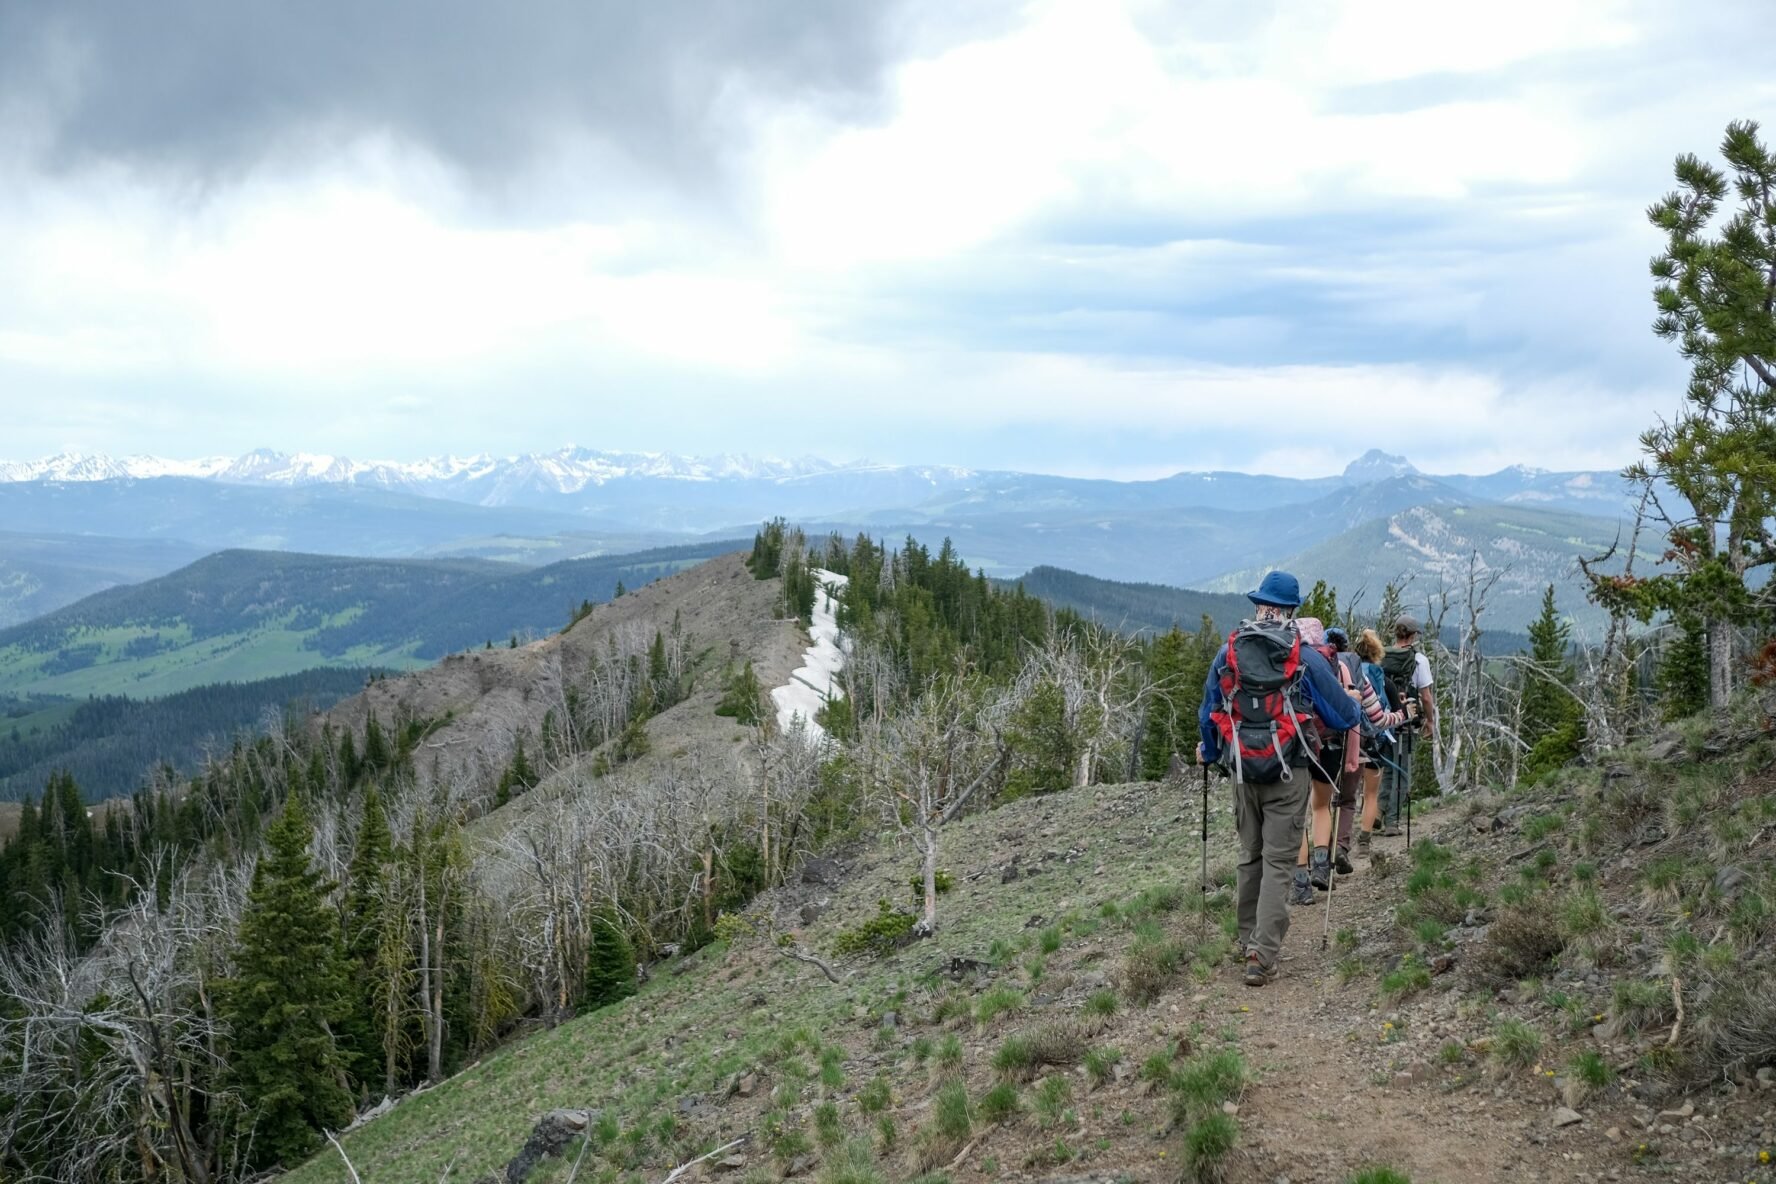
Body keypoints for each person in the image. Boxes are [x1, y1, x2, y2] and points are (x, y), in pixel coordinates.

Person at [1197, 572, 1366, 988]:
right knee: (1278, 861)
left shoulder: (1229, 652)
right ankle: (1262, 953)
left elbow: (1207, 712)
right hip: (1289, 771)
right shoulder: (1304, 657)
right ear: (1290, 611)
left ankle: (1246, 939)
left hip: (1242, 773)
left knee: (1249, 854)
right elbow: (1345, 715)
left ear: (1259, 605)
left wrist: (1215, 753)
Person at [1290, 622, 1408, 903]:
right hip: (1332, 745)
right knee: (1322, 807)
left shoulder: (1291, 664)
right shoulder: (1342, 668)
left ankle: (1301, 884)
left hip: (1298, 745)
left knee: (1298, 817)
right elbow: (1371, 715)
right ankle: (1322, 866)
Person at [1377, 615, 1436, 836]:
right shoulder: (1418, 660)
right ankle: (1393, 822)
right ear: (1412, 635)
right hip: (1407, 719)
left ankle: (1378, 812)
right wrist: (1430, 721)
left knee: (1389, 768)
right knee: (1402, 770)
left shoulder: (1383, 656)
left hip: (1384, 718)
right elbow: (1426, 697)